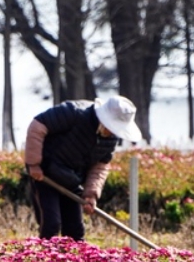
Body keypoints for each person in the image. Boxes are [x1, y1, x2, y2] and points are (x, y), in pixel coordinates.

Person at [24, 95, 143, 240]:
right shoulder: (74, 112)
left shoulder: (111, 138)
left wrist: (91, 194)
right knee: (51, 224)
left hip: (72, 179)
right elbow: (37, 127)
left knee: (75, 230)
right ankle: (44, 260)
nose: (112, 132)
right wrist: (34, 164)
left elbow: (100, 165)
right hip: (45, 174)